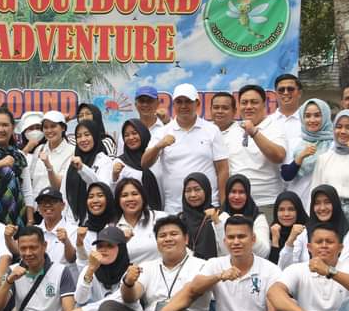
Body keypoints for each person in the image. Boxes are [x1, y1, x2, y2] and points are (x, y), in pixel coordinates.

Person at [142, 83, 229, 212]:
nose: (183, 106)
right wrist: (158, 146)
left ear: (197, 103)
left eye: (188, 101)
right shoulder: (162, 132)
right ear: (173, 104)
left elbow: (222, 169)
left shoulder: (212, 130)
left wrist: (223, 205)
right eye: (179, 102)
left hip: (208, 206)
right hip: (175, 207)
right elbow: (144, 163)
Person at [223, 85, 287, 221]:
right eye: (244, 103)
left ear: (264, 105)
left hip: (267, 203)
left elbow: (279, 156)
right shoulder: (231, 131)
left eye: (254, 102)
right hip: (237, 204)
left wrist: (254, 132)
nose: (248, 106)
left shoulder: (275, 127)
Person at [278, 185, 349, 269]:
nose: (322, 208)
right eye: (317, 203)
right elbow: (285, 269)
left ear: (335, 204)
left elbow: (342, 270)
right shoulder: (304, 233)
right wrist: (290, 242)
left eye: (327, 202)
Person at [280, 98, 334, 210]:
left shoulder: (333, 144)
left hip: (324, 204)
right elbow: (286, 176)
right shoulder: (295, 143)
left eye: (317, 115)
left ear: (325, 116)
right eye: (307, 116)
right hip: (298, 201)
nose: (312, 120)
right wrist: (300, 157)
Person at [62, 120, 112, 224]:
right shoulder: (72, 162)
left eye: (87, 135)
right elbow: (64, 193)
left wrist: (82, 168)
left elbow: (102, 189)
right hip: (71, 222)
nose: (83, 139)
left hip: (96, 222)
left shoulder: (104, 161)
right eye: (79, 136)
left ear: (95, 136)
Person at [213, 174, 271, 259]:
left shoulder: (258, 218)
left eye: (241, 192)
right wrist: (222, 223)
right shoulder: (218, 217)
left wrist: (247, 227)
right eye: (233, 192)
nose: (237, 197)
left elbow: (264, 253)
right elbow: (223, 252)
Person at [113, 119, 162, 210]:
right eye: (126, 135)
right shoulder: (120, 162)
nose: (131, 138)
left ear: (143, 133)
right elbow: (116, 193)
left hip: (162, 212)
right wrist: (114, 176)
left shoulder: (158, 157)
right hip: (134, 214)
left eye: (134, 133)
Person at [115, 178, 166, 265]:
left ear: (143, 196)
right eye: (124, 195)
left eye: (135, 194)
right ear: (118, 200)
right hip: (128, 273)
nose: (130, 199)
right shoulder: (112, 227)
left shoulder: (161, 218)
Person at [27, 111, 73, 197]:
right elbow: (31, 181)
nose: (49, 131)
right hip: (36, 203)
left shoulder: (72, 151)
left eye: (53, 126)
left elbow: (60, 186)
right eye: (45, 127)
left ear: (63, 128)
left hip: (58, 204)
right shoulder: (39, 149)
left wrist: (48, 165)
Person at [34, 187, 78, 277]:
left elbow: (72, 259)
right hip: (39, 280)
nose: (47, 205)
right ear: (38, 208)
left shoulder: (74, 230)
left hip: (64, 281)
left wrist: (66, 242)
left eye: (52, 201)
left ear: (63, 205)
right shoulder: (34, 230)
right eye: (42, 202)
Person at [178, 173, 220, 259]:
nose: (193, 195)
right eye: (188, 190)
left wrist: (217, 222)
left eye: (197, 189)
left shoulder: (219, 215)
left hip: (216, 265)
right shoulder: (179, 220)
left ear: (206, 190)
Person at [269, 191, 308, 265]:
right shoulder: (273, 231)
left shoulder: (308, 231)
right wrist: (275, 241)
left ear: (298, 211)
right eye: (281, 210)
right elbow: (273, 268)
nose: (286, 214)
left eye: (291, 209)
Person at [270, 74, 303, 146]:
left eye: (290, 89)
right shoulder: (267, 122)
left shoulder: (310, 121)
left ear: (299, 93)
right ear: (275, 94)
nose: (285, 92)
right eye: (281, 90)